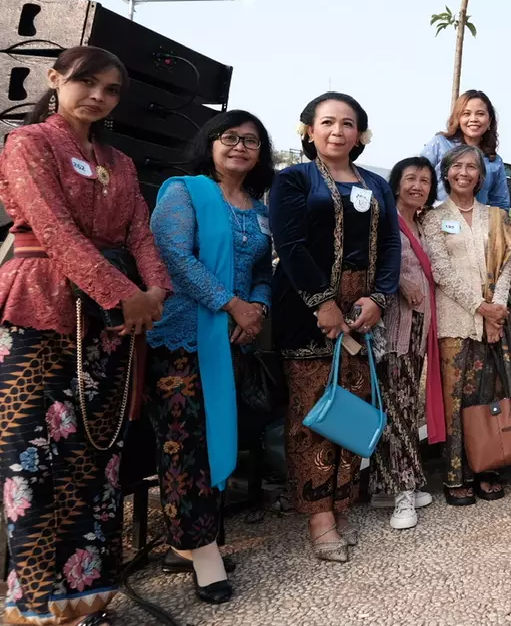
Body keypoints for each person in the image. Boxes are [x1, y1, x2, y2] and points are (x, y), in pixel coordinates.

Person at [0, 46, 169, 626]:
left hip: (113, 320)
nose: (98, 95)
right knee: (30, 455)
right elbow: (52, 226)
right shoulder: (29, 143)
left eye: (111, 89)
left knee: (95, 456)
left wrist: (154, 294)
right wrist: (122, 293)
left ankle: (88, 598)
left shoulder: (118, 162)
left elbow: (142, 233)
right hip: (41, 304)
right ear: (55, 79)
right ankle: (35, 604)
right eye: (86, 82)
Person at [147, 111, 275, 604]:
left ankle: (197, 539)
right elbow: (173, 256)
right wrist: (232, 305)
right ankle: (203, 554)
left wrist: (256, 307)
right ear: (211, 143)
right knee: (185, 446)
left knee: (220, 436)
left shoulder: (258, 208)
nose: (240, 146)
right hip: (182, 338)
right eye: (230, 137)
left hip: (233, 339)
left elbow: (264, 268)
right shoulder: (184, 190)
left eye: (252, 141)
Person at [270, 92, 398, 563]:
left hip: (362, 308)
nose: (338, 131)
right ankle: (317, 515)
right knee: (313, 407)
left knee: (351, 408)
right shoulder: (293, 180)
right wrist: (322, 303)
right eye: (327, 122)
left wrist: (378, 298)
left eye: (348, 124)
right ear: (308, 130)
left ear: (360, 135)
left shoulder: (377, 185)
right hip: (306, 307)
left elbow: (389, 247)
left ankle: (341, 501)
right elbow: (291, 244)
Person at [422, 145, 511, 506]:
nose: (464, 172)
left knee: (489, 397)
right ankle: (455, 473)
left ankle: (487, 467)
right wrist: (481, 307)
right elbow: (441, 271)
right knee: (455, 400)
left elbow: (506, 264)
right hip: (455, 321)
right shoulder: (433, 218)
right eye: (457, 166)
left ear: (481, 176)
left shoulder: (495, 215)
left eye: (472, 167)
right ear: (446, 172)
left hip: (494, 321)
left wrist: (497, 310)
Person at [370, 157, 445, 529]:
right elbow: (374, 261)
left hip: (418, 328)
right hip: (394, 328)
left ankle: (387, 484)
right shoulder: (383, 220)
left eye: (426, 181)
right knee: (398, 407)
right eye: (411, 178)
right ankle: (403, 491)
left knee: (402, 405)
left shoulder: (422, 223)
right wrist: (399, 280)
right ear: (396, 184)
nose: (418, 185)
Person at [420, 89, 510, 208]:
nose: (473, 119)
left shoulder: (494, 161)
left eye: (480, 114)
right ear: (458, 118)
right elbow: (418, 178)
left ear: (490, 120)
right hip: (434, 221)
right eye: (466, 114)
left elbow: (501, 205)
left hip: (475, 225)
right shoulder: (440, 144)